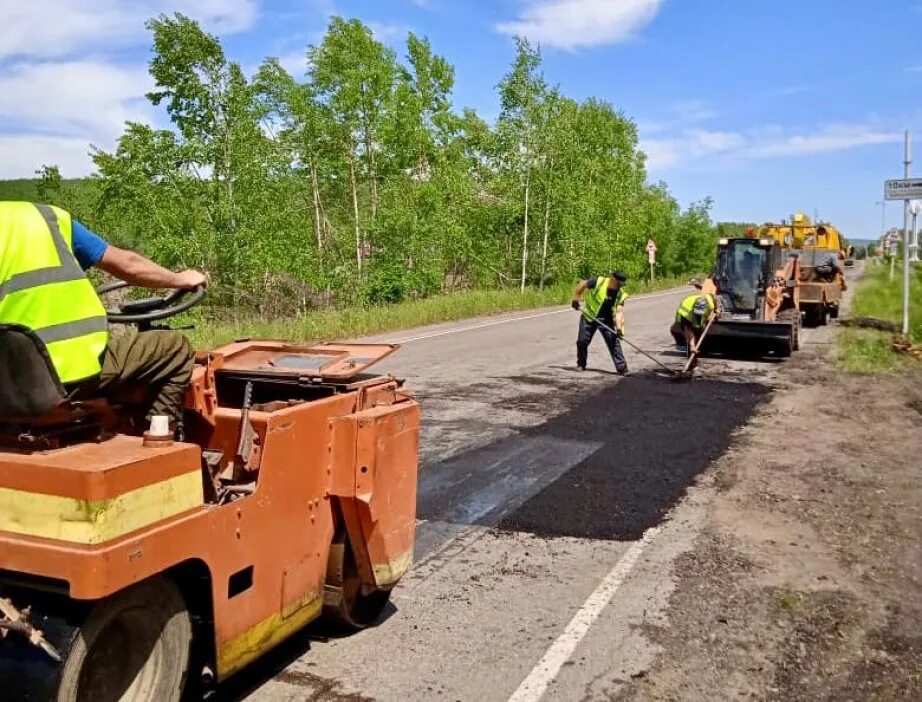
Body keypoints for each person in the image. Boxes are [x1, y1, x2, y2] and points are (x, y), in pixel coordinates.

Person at [0, 201, 206, 433]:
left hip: (7, 388)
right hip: (70, 379)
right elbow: (128, 265)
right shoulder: (45, 218)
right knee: (175, 348)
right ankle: (158, 436)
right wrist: (180, 279)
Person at [571, 271, 629, 375]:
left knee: (613, 342)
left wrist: (619, 329)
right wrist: (576, 298)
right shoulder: (599, 281)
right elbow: (582, 284)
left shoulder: (620, 294)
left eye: (621, 284)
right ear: (612, 279)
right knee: (582, 341)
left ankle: (622, 368)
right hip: (589, 315)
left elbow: (619, 312)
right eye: (618, 283)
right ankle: (581, 364)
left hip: (606, 319)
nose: (619, 286)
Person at [670, 293, 718, 363]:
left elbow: (715, 301)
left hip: (702, 315)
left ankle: (700, 351)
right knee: (690, 339)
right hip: (686, 318)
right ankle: (691, 359)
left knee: (700, 333)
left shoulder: (710, 304)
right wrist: (692, 345)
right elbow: (688, 329)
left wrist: (716, 311)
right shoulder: (687, 313)